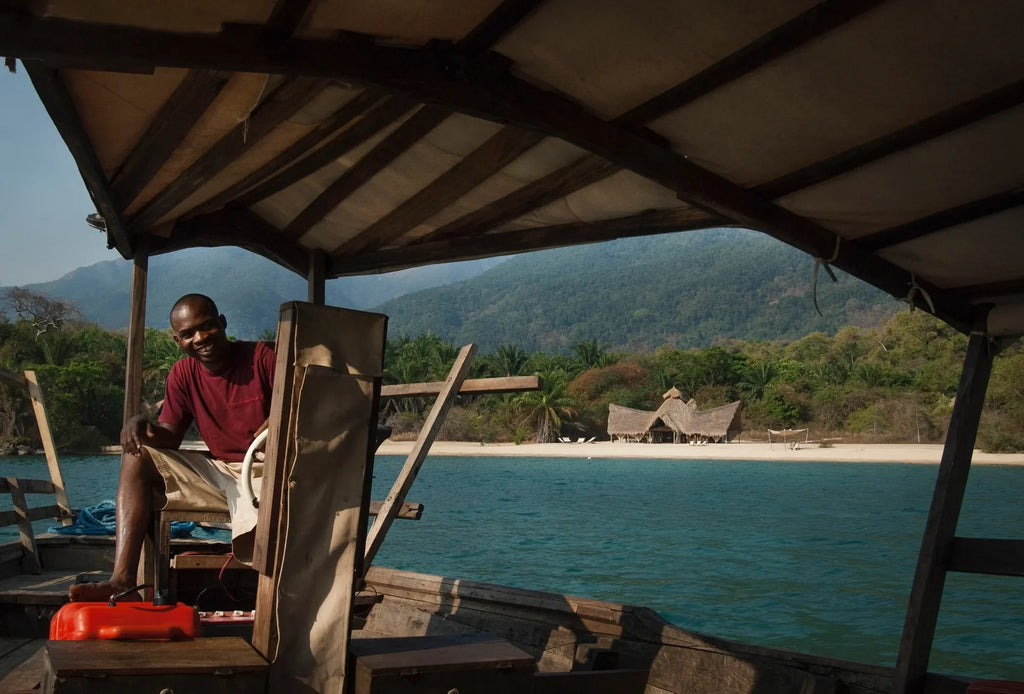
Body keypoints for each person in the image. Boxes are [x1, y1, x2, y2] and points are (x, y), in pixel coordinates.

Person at [70, 294, 276, 602]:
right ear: (177, 340)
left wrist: (279, 419)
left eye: (207, 327)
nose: (200, 338)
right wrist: (144, 426)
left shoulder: (263, 356)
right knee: (136, 456)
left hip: (267, 469)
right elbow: (170, 435)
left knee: (265, 525)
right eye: (189, 334)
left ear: (222, 324)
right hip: (219, 471)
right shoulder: (183, 374)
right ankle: (122, 582)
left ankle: (273, 598)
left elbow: (304, 401)